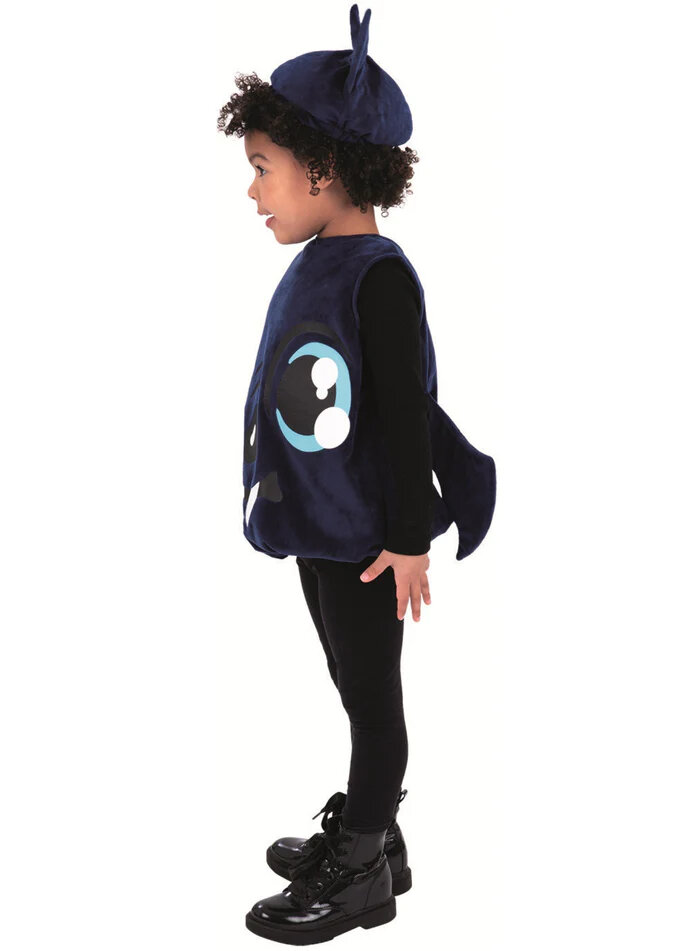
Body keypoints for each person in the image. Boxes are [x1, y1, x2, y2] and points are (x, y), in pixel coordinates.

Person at [217, 5, 496, 944]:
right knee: (349, 679)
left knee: (374, 702)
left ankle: (362, 869)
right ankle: (379, 831)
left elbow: (407, 412)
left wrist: (410, 538)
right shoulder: (317, 262)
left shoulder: (376, 273)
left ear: (323, 168)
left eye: (263, 166)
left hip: (368, 537)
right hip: (317, 520)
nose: (253, 190)